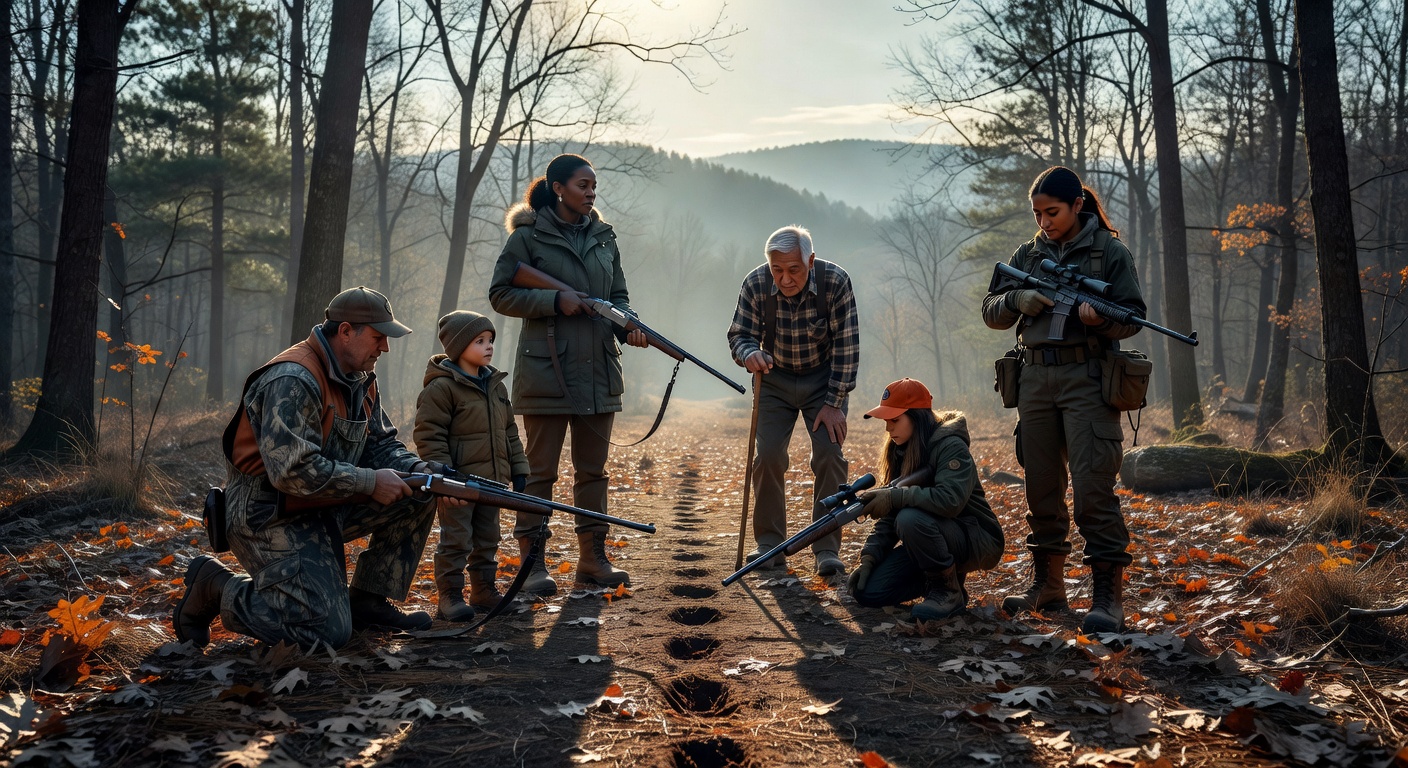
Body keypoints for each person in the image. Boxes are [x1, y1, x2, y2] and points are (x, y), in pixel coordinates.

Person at [174, 287, 445, 650]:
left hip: (327, 502)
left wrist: (419, 471)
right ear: (346, 331)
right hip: (268, 513)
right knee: (326, 633)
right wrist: (368, 482)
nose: (385, 348)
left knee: (418, 493)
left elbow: (379, 444)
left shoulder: (360, 377)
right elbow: (291, 472)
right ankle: (217, 587)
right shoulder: (293, 379)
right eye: (379, 338)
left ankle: (367, 601)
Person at [981, 166, 1147, 633]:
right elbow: (991, 309)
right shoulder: (1028, 254)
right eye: (1037, 213)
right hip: (1034, 379)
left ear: (1077, 205)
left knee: (1094, 489)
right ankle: (1048, 586)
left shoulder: (1110, 252)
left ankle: (1106, 597)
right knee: (1041, 488)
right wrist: (1019, 301)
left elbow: (1133, 317)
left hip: (1088, 378)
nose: (1044, 222)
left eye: (1051, 212)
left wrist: (1099, 320)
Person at [488, 153, 648, 595]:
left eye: (594, 185)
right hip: (547, 371)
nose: (591, 192)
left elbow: (619, 295)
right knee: (539, 473)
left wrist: (628, 325)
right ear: (559, 188)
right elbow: (501, 294)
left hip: (598, 369)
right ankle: (532, 564)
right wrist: (554, 302)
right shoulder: (527, 238)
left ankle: (593, 560)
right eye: (583, 184)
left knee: (593, 473)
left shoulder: (603, 238)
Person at [727, 225, 860, 577]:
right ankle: (770, 546)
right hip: (774, 378)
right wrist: (749, 353)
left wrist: (834, 403)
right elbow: (739, 335)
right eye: (777, 269)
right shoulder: (755, 283)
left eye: (793, 270)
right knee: (768, 456)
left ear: (810, 260)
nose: (784, 279)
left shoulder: (835, 281)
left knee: (830, 456)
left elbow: (847, 348)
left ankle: (826, 548)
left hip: (824, 381)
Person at [847, 378, 1004, 621]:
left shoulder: (951, 445)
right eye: (886, 421)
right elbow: (891, 511)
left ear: (917, 417)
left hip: (977, 538)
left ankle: (947, 591)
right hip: (932, 536)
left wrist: (896, 496)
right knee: (869, 592)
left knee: (909, 519)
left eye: (895, 420)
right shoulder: (902, 448)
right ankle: (939, 582)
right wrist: (870, 557)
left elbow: (950, 500)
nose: (888, 428)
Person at [414, 311, 529, 622]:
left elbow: (509, 433)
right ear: (459, 346)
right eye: (480, 341)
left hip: (492, 482)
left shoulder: (495, 386)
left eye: (490, 340)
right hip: (458, 484)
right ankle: (449, 596)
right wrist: (443, 476)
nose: (488, 346)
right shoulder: (442, 388)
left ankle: (483, 589)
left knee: (488, 537)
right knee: (456, 539)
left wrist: (519, 468)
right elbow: (429, 435)